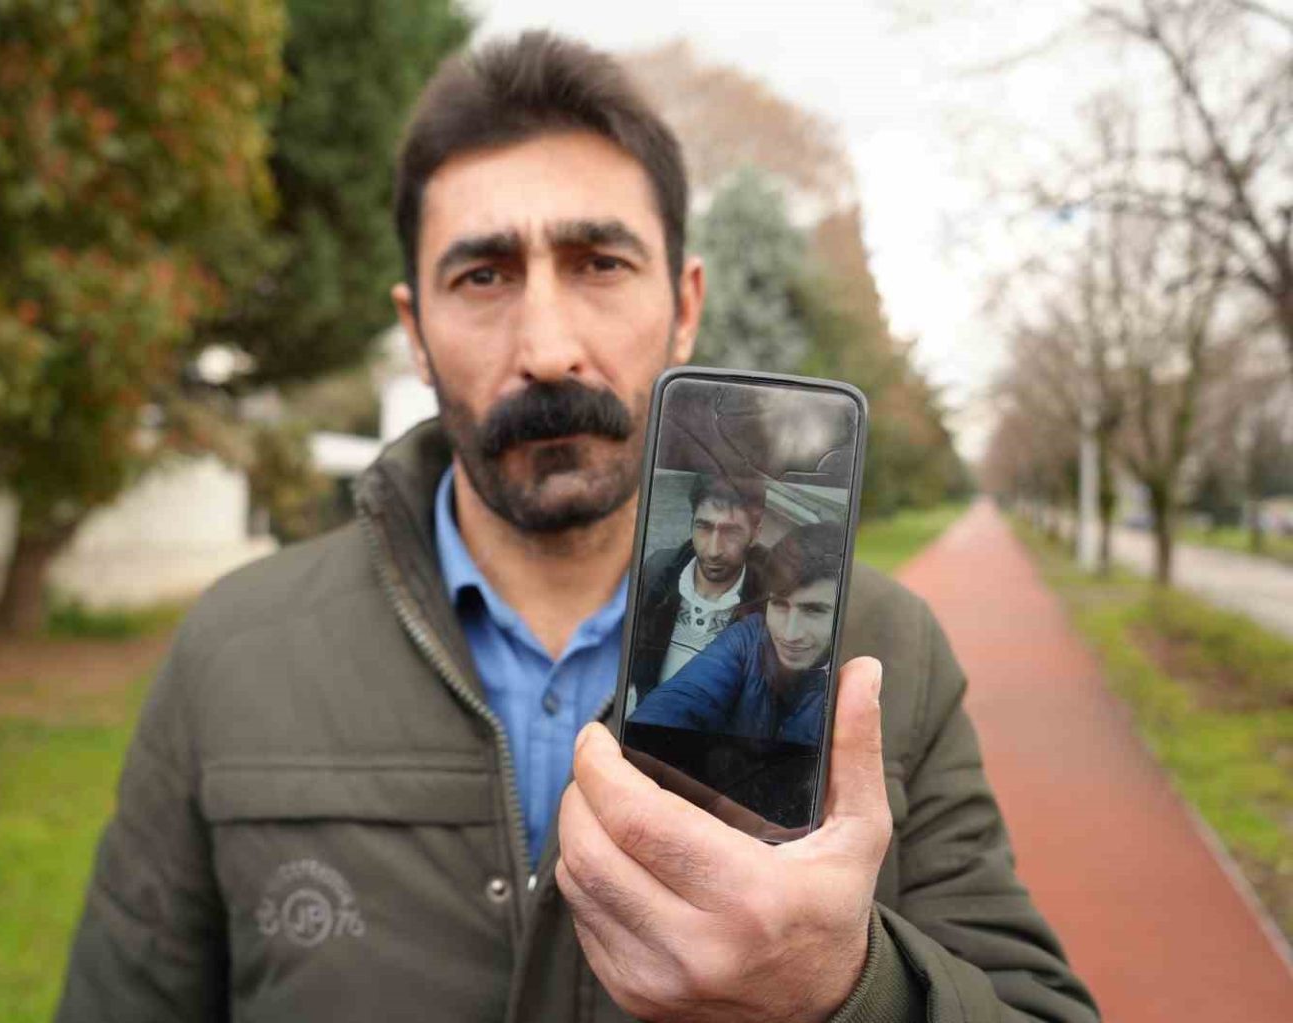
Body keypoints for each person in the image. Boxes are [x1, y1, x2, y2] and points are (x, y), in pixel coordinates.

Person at [56, 31, 1099, 1023]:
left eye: (600, 263)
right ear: (415, 331)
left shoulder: (889, 652)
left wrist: (845, 990)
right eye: (482, 276)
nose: (548, 346)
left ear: (684, 306)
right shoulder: (231, 654)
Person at [632, 522, 845, 745]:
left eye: (813, 611)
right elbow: (683, 698)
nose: (790, 634)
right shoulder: (749, 637)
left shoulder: (858, 675)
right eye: (779, 605)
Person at [626, 473, 769, 703]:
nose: (713, 550)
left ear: (755, 534)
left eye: (731, 532)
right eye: (704, 527)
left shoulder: (771, 601)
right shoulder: (657, 572)